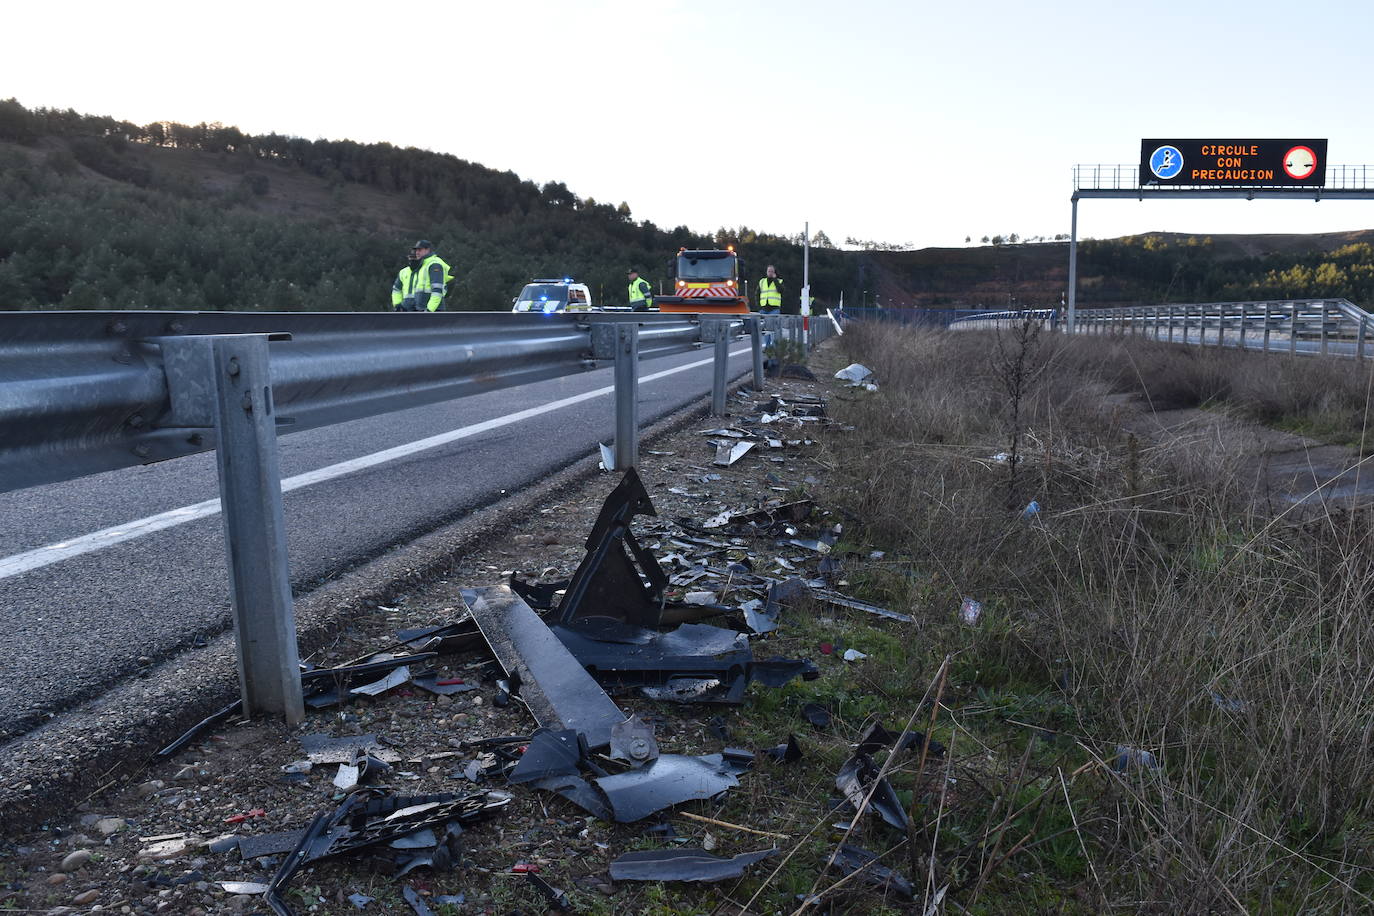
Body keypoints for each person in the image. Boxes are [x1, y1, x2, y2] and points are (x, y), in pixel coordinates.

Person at [391, 240, 452, 312]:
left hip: (431, 311)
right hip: (415, 310)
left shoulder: (434, 264)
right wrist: (398, 306)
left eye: (420, 250)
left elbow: (437, 290)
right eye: (416, 250)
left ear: (427, 250)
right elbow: (397, 290)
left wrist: (430, 310)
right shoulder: (417, 266)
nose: (417, 252)